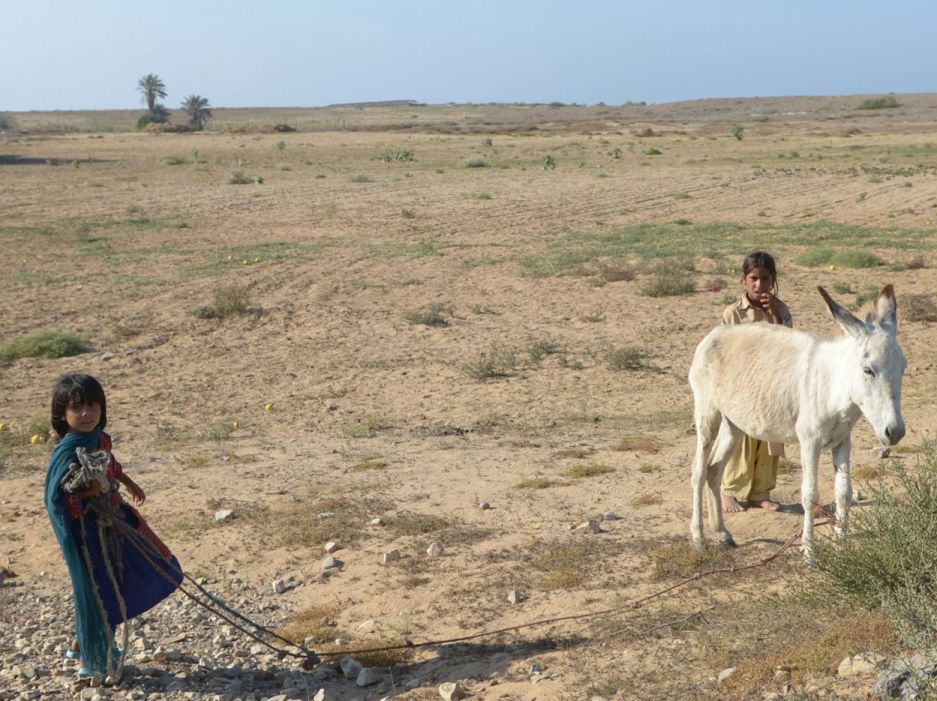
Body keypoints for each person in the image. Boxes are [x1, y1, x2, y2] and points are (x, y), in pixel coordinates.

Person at [44, 373, 182, 680]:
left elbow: (111, 466)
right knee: (97, 588)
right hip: (86, 534)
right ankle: (92, 662)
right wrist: (89, 494)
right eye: (77, 407)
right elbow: (59, 496)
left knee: (142, 569)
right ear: (62, 414)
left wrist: (128, 482)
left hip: (111, 523)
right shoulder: (67, 451)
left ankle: (85, 642)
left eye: (93, 405)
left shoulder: (99, 439)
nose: (87, 414)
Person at [720, 252, 793, 513]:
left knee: (769, 438)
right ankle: (730, 491)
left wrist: (774, 315)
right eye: (754, 279)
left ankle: (760, 493)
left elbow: (789, 346)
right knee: (741, 439)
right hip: (742, 385)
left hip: (773, 385)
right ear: (743, 280)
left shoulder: (781, 310)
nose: (759, 285)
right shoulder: (734, 313)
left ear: (773, 281)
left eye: (765, 279)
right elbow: (726, 349)